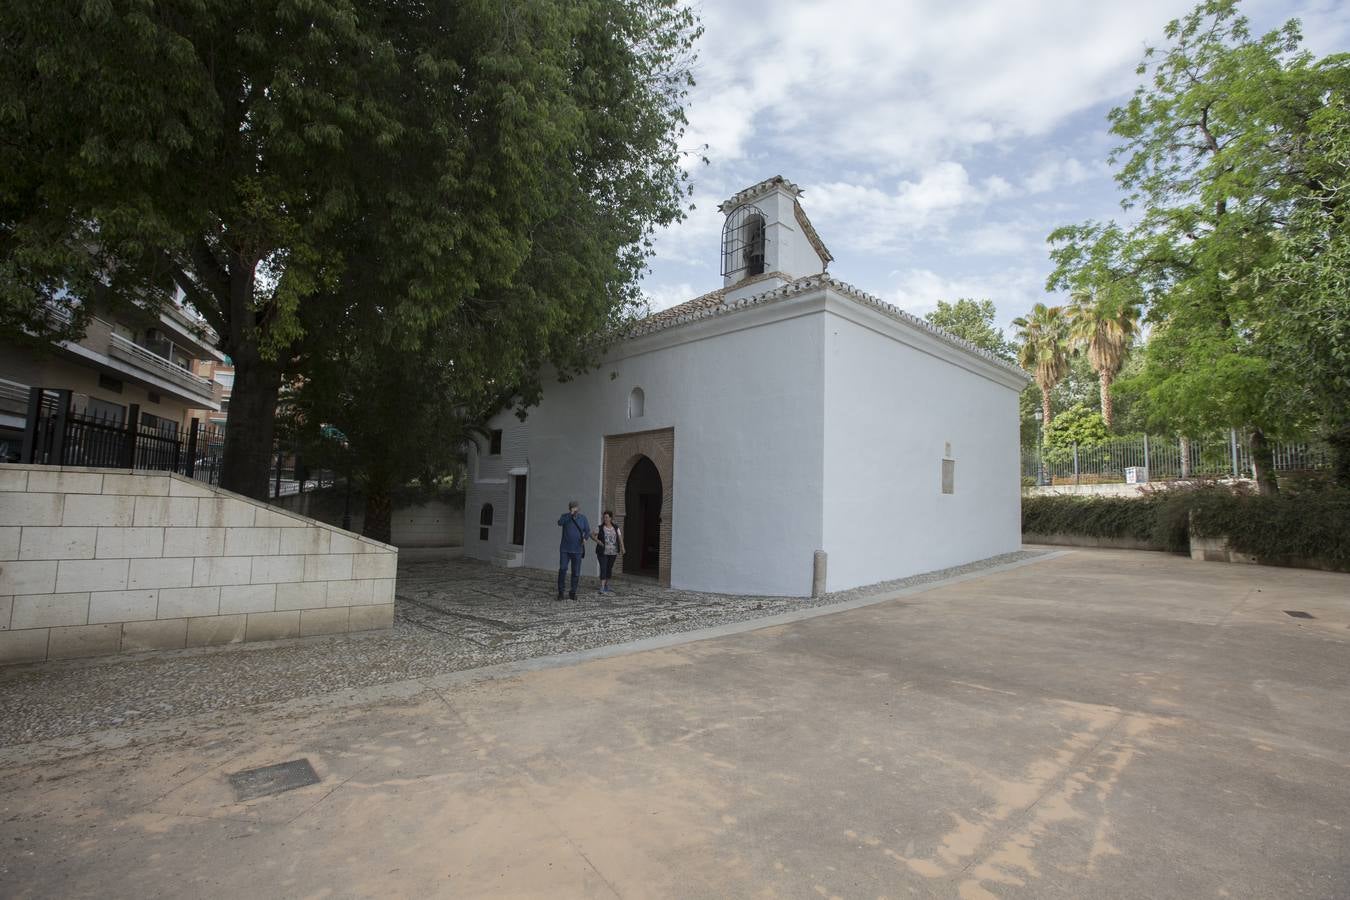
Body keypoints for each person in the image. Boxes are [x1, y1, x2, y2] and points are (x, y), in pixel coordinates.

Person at [556, 501, 590, 601]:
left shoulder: (583, 518)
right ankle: (561, 592)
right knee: (562, 569)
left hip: (577, 549)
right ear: (570, 508)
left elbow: (587, 530)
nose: (575, 509)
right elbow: (560, 523)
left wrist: (585, 538)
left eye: (576, 507)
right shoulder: (565, 517)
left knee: (576, 572)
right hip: (565, 549)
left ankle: (573, 592)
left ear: (578, 508)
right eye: (572, 507)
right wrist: (570, 515)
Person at [594, 510, 624, 594]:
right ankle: (602, 587)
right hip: (602, 552)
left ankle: (607, 585)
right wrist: (598, 541)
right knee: (603, 567)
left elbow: (620, 537)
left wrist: (622, 547)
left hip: (613, 552)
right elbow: (592, 535)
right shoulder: (600, 527)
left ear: (610, 518)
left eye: (607, 517)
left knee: (609, 568)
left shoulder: (616, 527)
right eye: (604, 517)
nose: (605, 519)